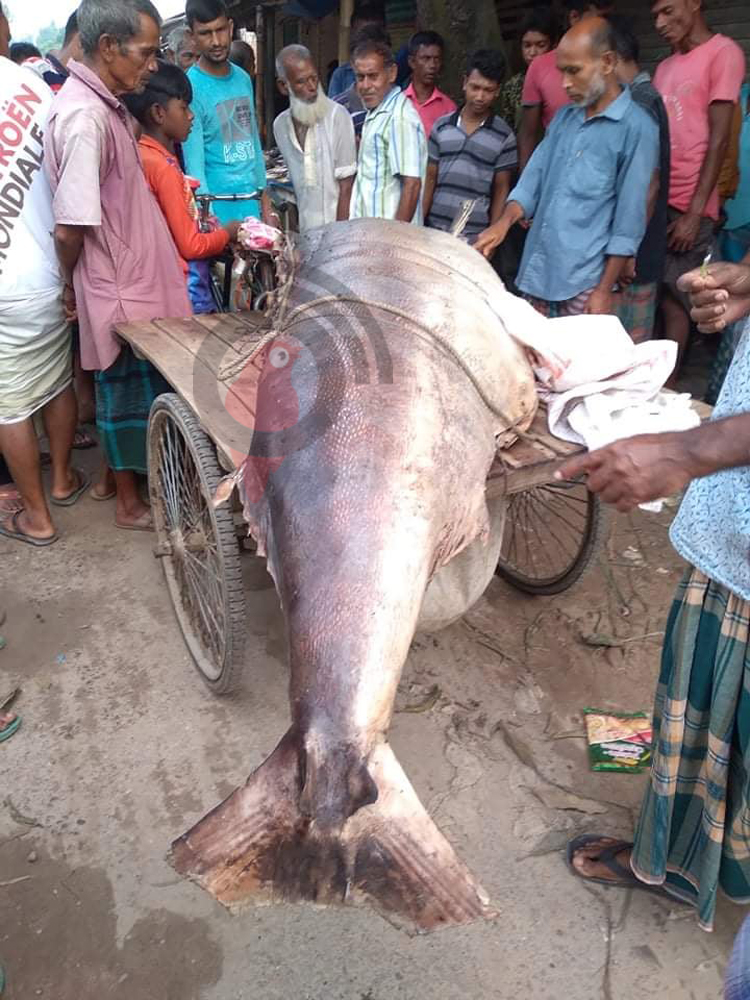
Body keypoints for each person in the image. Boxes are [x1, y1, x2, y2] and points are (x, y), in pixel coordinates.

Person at [563, 251, 750, 934]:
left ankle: (683, 865)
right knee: (704, 715)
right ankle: (693, 861)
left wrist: (683, 451)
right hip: (734, 530)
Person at [44, 0, 192, 532]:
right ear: (108, 48)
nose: (153, 65)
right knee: (124, 397)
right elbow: (70, 228)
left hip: (132, 282)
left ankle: (117, 484)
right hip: (123, 291)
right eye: (146, 53)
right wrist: (69, 285)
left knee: (128, 394)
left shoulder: (104, 107)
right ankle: (130, 504)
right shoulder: (86, 119)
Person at [475, 18, 658, 320]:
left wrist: (603, 289)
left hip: (586, 282)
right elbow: (533, 179)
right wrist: (503, 223)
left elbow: (629, 219)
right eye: (562, 72)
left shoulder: (637, 128)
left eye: (574, 71)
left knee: (578, 352)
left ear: (607, 62)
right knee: (531, 349)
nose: (565, 84)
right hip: (539, 269)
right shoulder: (564, 118)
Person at [0, 3, 81, 548]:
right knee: (56, 380)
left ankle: (37, 516)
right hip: (52, 266)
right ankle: (63, 478)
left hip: (5, 285)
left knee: (8, 404)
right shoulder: (34, 88)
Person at [651, 0, 745, 383]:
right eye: (655, 16)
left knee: (699, 296)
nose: (660, 23)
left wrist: (695, 211)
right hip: (660, 203)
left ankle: (709, 383)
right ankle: (667, 384)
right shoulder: (664, 67)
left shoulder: (724, 53)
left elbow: (719, 138)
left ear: (694, 3)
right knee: (668, 299)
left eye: (668, 10)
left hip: (692, 204)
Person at [123, 60, 241, 313]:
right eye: (184, 107)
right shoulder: (162, 167)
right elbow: (191, 245)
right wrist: (228, 233)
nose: (191, 115)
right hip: (183, 290)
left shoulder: (141, 154)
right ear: (158, 113)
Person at [181, 0, 276, 228]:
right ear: (192, 36)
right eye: (205, 33)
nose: (216, 41)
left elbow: (254, 144)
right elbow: (195, 167)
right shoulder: (190, 88)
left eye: (220, 30)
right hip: (218, 214)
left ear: (231, 27)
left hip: (251, 206)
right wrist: (211, 224)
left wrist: (267, 206)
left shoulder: (243, 78)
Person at [609, 15, 670, 343]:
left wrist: (627, 251)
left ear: (613, 59)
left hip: (635, 253)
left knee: (626, 346)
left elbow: (648, 185)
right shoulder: (641, 99)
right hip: (634, 247)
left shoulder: (641, 103)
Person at [424, 49, 516, 244]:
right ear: (465, 82)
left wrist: (491, 238)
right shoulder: (441, 126)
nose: (480, 96)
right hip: (434, 230)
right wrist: (419, 225)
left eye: (488, 90)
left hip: (474, 236)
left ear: (498, 91)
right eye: (475, 87)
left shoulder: (504, 136)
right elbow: (430, 178)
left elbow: (501, 189)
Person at [518, 0, 613, 171]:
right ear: (574, 17)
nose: (567, 83)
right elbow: (528, 134)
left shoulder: (610, 61)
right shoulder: (540, 67)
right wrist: (525, 180)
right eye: (599, 18)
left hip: (602, 165)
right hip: (558, 167)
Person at [273, 45, 357, 231]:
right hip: (307, 230)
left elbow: (347, 187)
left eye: (314, 78)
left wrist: (339, 237)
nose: (312, 87)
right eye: (301, 82)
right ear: (283, 86)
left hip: (340, 230)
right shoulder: (280, 126)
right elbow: (298, 189)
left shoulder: (337, 116)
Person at [350, 38, 427, 224]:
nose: (365, 85)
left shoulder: (399, 117)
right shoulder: (378, 112)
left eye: (373, 76)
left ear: (391, 73)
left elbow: (412, 185)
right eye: (360, 77)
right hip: (370, 232)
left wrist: (395, 237)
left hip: (387, 237)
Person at [499, 6, 558, 132]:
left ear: (554, 46)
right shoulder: (513, 86)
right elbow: (509, 129)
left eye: (540, 45)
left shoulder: (564, 81)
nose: (532, 52)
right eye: (527, 45)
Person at [403, 31, 456, 140]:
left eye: (436, 59)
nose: (432, 65)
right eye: (426, 58)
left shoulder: (449, 108)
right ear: (412, 62)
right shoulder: (397, 103)